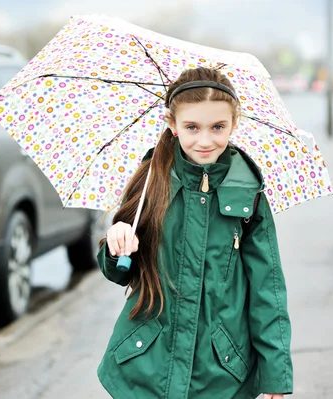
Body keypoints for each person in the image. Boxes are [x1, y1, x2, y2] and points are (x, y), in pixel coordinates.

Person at [96, 67, 292, 399]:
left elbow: (266, 288)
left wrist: (276, 373)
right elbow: (118, 272)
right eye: (191, 127)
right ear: (172, 124)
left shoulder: (249, 194)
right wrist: (117, 246)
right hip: (149, 362)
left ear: (234, 122)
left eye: (218, 127)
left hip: (220, 369)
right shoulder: (151, 181)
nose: (205, 140)